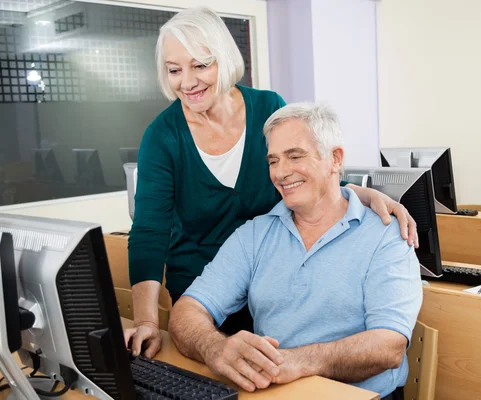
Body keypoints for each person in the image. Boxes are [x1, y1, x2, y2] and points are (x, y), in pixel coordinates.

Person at [125, 6, 419, 359]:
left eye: (200, 65)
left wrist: (358, 192)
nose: (186, 82)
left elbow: (303, 169)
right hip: (205, 288)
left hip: (273, 283)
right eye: (174, 70)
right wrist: (146, 319)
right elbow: (149, 232)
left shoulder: (268, 108)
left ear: (224, 59)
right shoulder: (163, 136)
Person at [169, 103, 423, 400]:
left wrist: (297, 362)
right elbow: (187, 311)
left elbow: (388, 346)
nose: (281, 172)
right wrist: (213, 347)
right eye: (273, 160)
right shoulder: (255, 235)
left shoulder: (386, 235)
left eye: (294, 156)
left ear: (335, 159)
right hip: (273, 392)